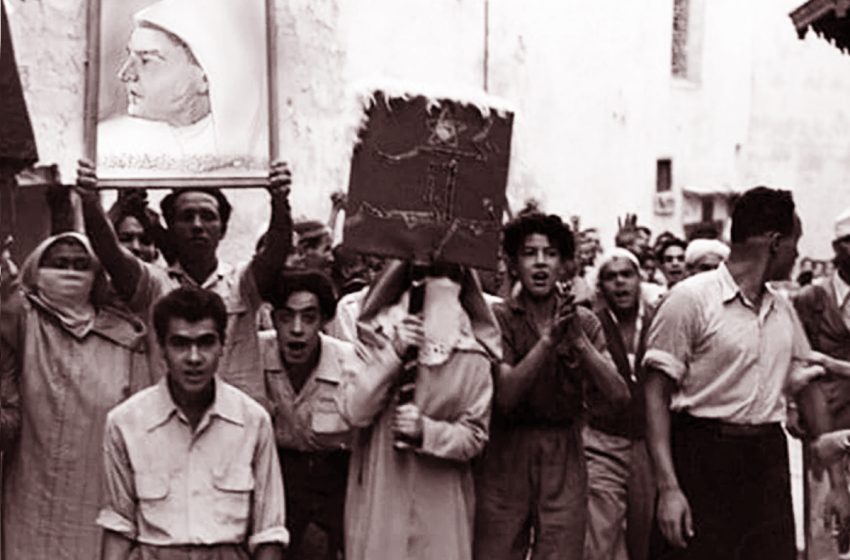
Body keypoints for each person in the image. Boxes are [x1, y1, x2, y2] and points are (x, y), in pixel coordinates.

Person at [643, 186, 826, 560]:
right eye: (795, 243)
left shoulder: (783, 310)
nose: (797, 254)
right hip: (702, 456)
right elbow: (654, 395)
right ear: (775, 243)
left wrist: (836, 483)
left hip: (766, 460)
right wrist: (669, 488)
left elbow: (809, 384)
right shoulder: (690, 299)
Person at [474, 213, 628, 560]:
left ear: (565, 265)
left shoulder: (584, 321)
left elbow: (619, 395)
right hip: (506, 450)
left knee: (562, 549)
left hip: (564, 448)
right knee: (495, 548)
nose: (541, 263)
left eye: (551, 253)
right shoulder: (499, 318)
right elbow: (507, 397)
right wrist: (547, 342)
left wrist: (579, 343)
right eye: (530, 253)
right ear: (513, 264)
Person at [76, 159, 292, 407]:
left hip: (236, 428)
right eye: (187, 217)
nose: (197, 225)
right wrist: (90, 202)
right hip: (168, 425)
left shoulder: (242, 285)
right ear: (172, 228)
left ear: (222, 230)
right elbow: (109, 252)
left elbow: (276, 251)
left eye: (208, 217)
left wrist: (280, 201)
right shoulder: (154, 285)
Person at [0, 232, 149, 560]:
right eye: (59, 264)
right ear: (36, 269)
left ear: (97, 275)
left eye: (81, 265)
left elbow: (141, 435)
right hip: (28, 501)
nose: (70, 273)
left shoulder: (126, 340)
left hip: (95, 504)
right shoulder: (25, 321)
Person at [338, 261, 499, 560]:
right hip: (383, 498)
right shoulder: (372, 342)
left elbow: (475, 436)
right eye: (427, 275)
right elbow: (355, 410)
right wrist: (394, 354)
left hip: (442, 506)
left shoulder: (473, 358)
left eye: (449, 276)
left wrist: (428, 431)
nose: (438, 287)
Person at [98, 0, 267, 175]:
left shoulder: (251, 154)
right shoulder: (106, 144)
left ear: (203, 77)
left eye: (146, 61)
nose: (125, 74)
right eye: (130, 57)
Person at [261, 269, 355, 559]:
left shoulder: (349, 362)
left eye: (309, 317)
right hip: (277, 478)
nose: (297, 329)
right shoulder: (253, 354)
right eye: (286, 317)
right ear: (272, 318)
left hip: (336, 479)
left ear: (325, 321)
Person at [584, 248, 655, 560]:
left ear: (639, 279)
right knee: (600, 538)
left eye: (627, 274)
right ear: (601, 285)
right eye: (611, 277)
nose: (620, 283)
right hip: (602, 441)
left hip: (648, 444)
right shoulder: (591, 324)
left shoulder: (658, 321)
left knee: (646, 532)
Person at [792, 207, 850, 550]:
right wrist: (792, 407)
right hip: (824, 420)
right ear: (836, 247)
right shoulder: (811, 298)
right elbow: (794, 357)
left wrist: (835, 364)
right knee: (825, 525)